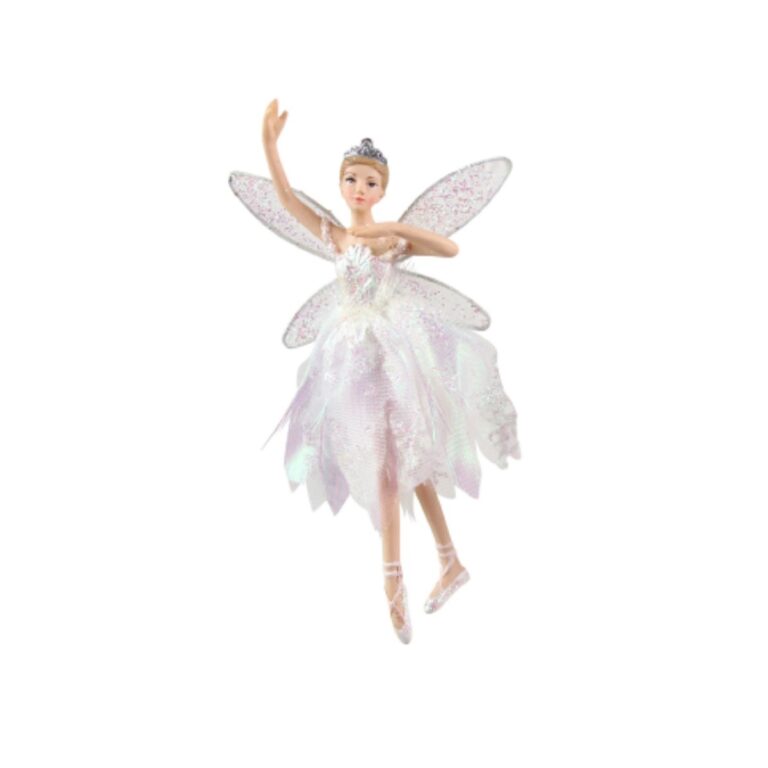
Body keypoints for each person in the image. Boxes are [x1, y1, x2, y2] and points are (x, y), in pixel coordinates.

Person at [232, 98, 521, 643]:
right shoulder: (335, 236)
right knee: (396, 462)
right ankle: (448, 559)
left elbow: (449, 247)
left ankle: (396, 581)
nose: (359, 189)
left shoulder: (388, 238)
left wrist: (390, 228)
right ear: (341, 185)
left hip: (388, 355)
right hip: (349, 360)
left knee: (401, 460)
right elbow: (287, 201)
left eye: (369, 183)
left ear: (381, 190)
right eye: (352, 180)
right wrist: (270, 148)